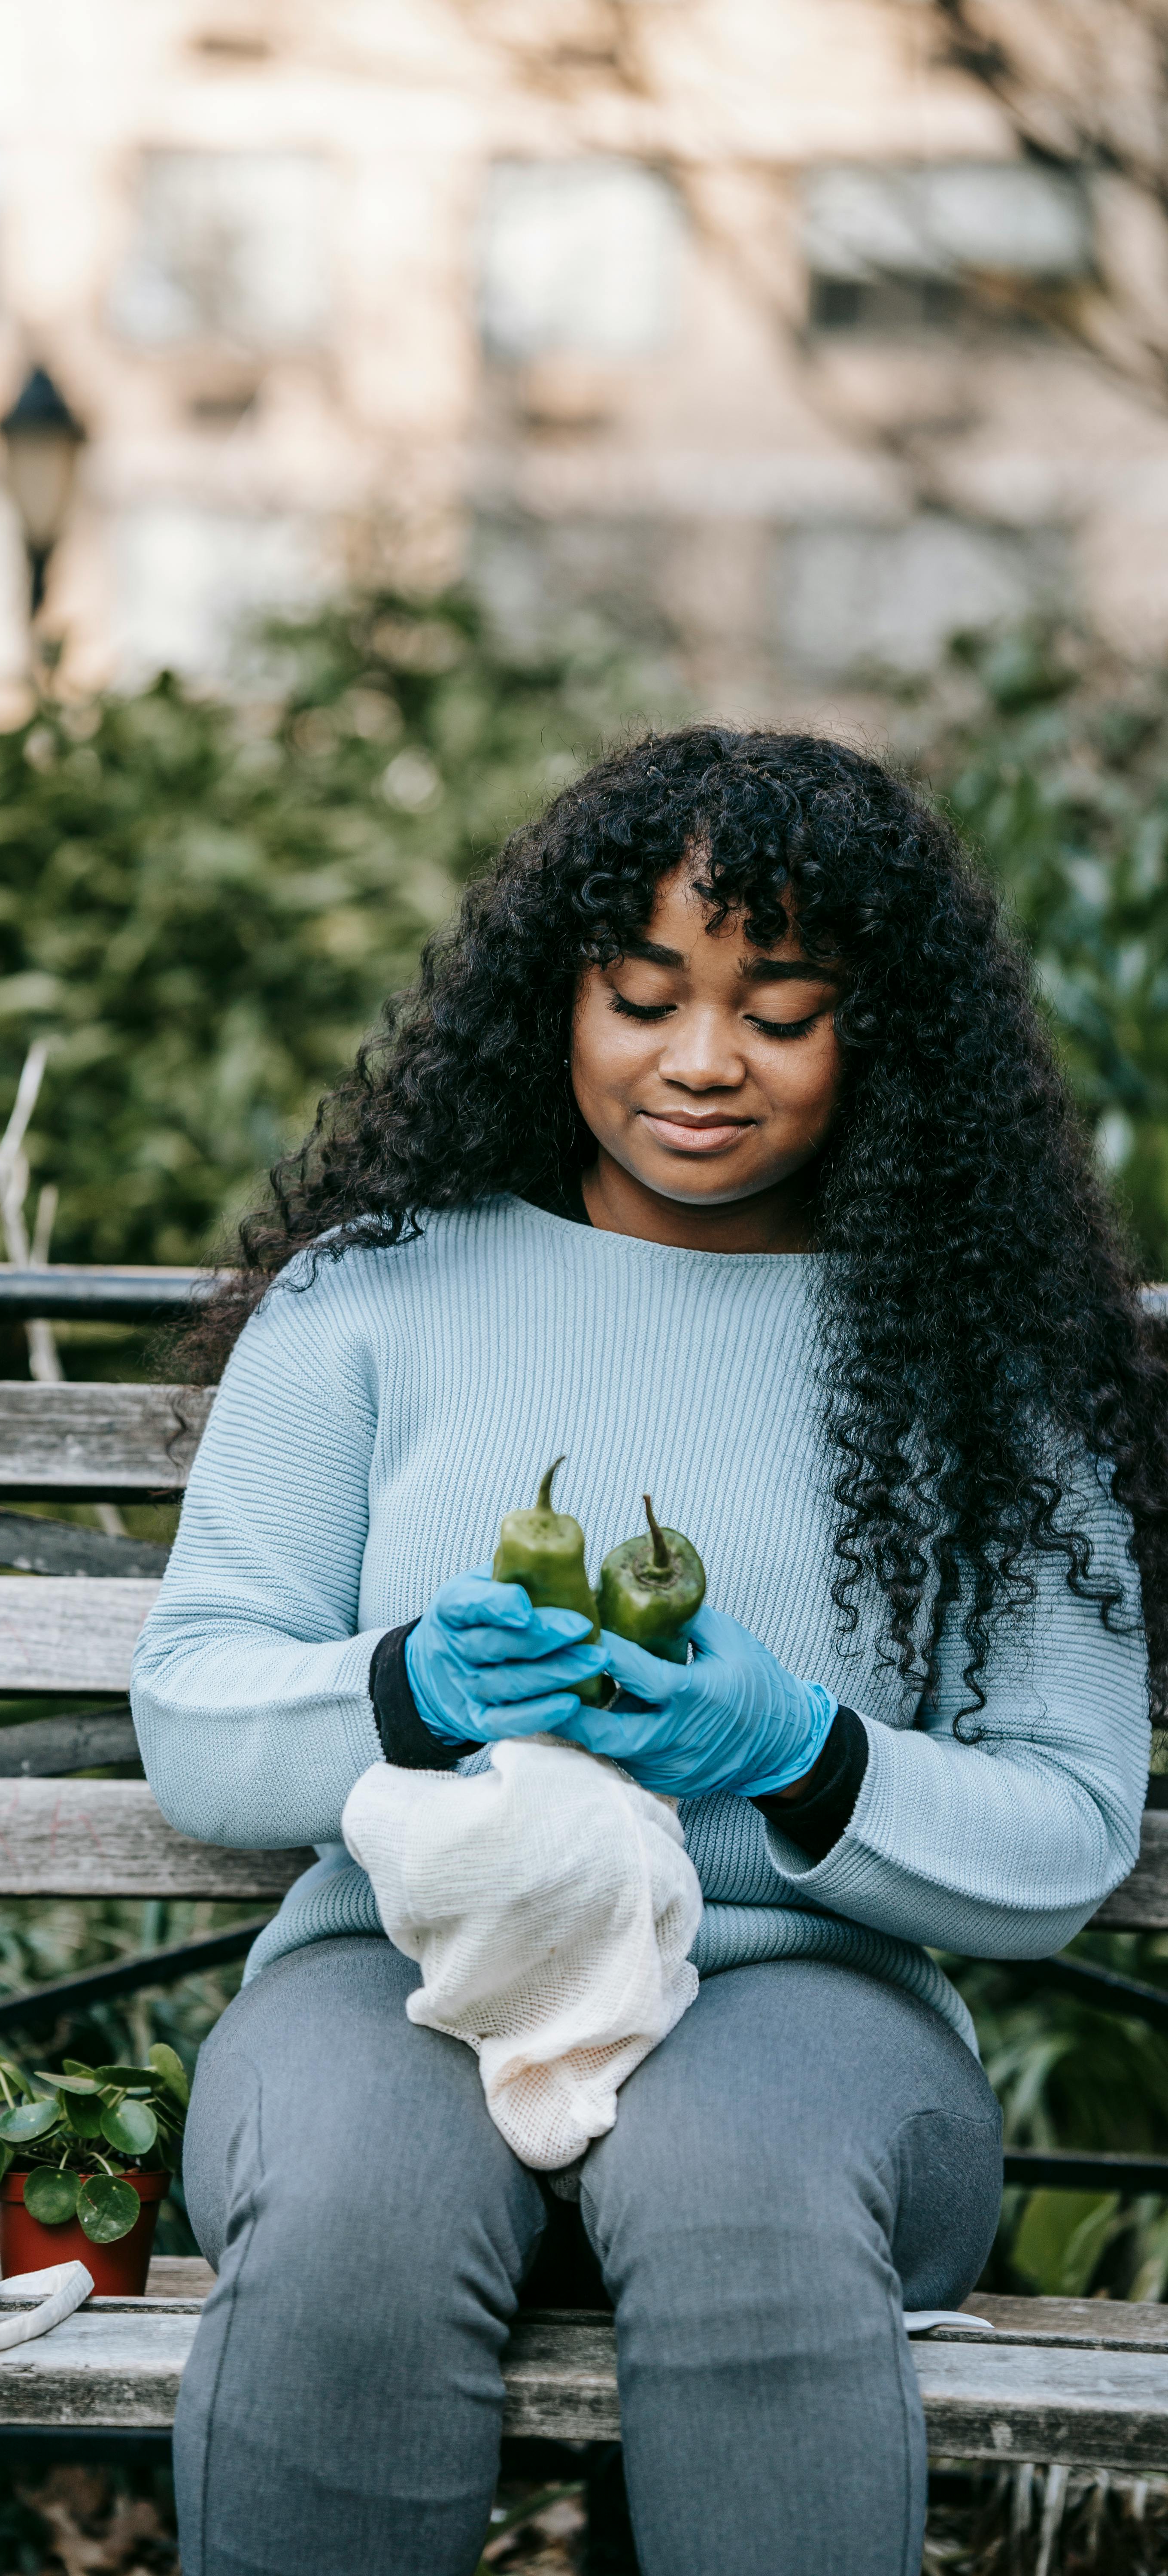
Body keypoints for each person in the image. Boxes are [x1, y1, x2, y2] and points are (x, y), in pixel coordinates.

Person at [130, 727, 1162, 2576]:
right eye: (640, 997)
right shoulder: (372, 1293)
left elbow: (1066, 1825)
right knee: (355, 2214)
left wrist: (801, 1749)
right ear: (560, 1003)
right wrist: (405, 1691)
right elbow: (200, 1711)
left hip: (811, 2008)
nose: (701, 1063)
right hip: (399, 1975)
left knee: (739, 2196)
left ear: (881, 1041)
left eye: (780, 1011)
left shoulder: (981, 1354)